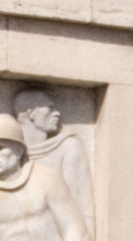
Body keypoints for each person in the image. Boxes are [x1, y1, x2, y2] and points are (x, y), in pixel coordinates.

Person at [13, 86, 94, 225]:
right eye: (50, 108)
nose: (57, 113)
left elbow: (82, 207)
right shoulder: (9, 154)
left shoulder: (69, 147)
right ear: (31, 113)